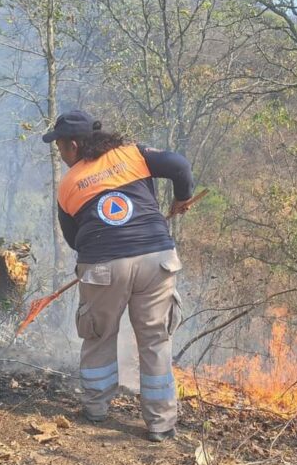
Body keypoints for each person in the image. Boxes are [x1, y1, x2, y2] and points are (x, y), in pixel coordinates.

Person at [42, 109, 194, 442]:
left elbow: (74, 239)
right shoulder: (133, 154)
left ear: (72, 146)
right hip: (156, 260)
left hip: (102, 267)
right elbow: (180, 166)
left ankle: (96, 409)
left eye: (60, 147)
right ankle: (161, 424)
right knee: (155, 339)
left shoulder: (68, 184)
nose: (60, 154)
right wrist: (183, 197)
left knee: (99, 334)